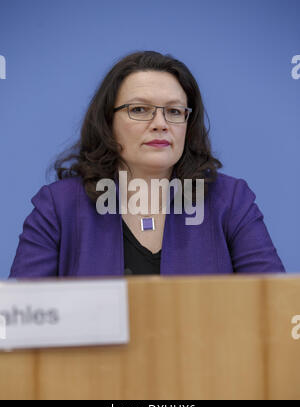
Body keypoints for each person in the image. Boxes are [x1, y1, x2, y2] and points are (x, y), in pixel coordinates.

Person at [9, 51, 285, 278]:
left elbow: (275, 309)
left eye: (174, 111)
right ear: (108, 122)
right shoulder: (59, 207)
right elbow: (23, 319)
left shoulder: (230, 201)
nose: (160, 124)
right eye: (139, 110)